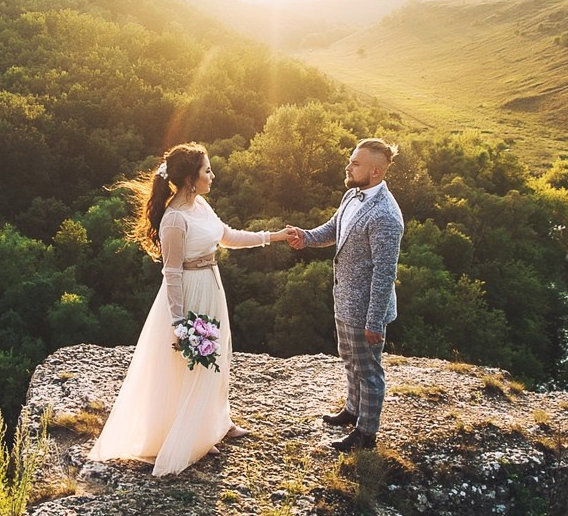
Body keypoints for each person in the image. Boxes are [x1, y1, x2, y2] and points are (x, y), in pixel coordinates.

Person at [90, 143, 288, 476]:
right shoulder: (174, 220)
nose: (213, 175)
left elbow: (227, 236)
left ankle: (216, 424)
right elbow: (172, 274)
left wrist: (275, 236)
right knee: (192, 365)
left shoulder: (202, 206)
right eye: (207, 170)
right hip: (189, 295)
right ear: (190, 179)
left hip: (212, 286)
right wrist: (180, 324)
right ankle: (191, 435)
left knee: (218, 357)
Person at [281, 138, 404, 452]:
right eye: (351, 161)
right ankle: (352, 410)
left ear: (375, 172)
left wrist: (374, 321)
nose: (348, 167)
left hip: (365, 311)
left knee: (369, 371)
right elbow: (335, 229)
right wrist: (305, 238)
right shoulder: (352, 195)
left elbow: (384, 273)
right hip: (344, 301)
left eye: (355, 164)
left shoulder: (386, 216)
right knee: (350, 362)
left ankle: (366, 435)